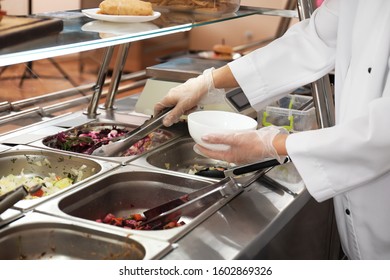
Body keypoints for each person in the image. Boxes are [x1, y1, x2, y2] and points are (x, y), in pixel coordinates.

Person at [154, 0, 390, 260]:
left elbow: (382, 133)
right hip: (358, 233)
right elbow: (313, 40)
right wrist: (209, 82)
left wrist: (273, 145)